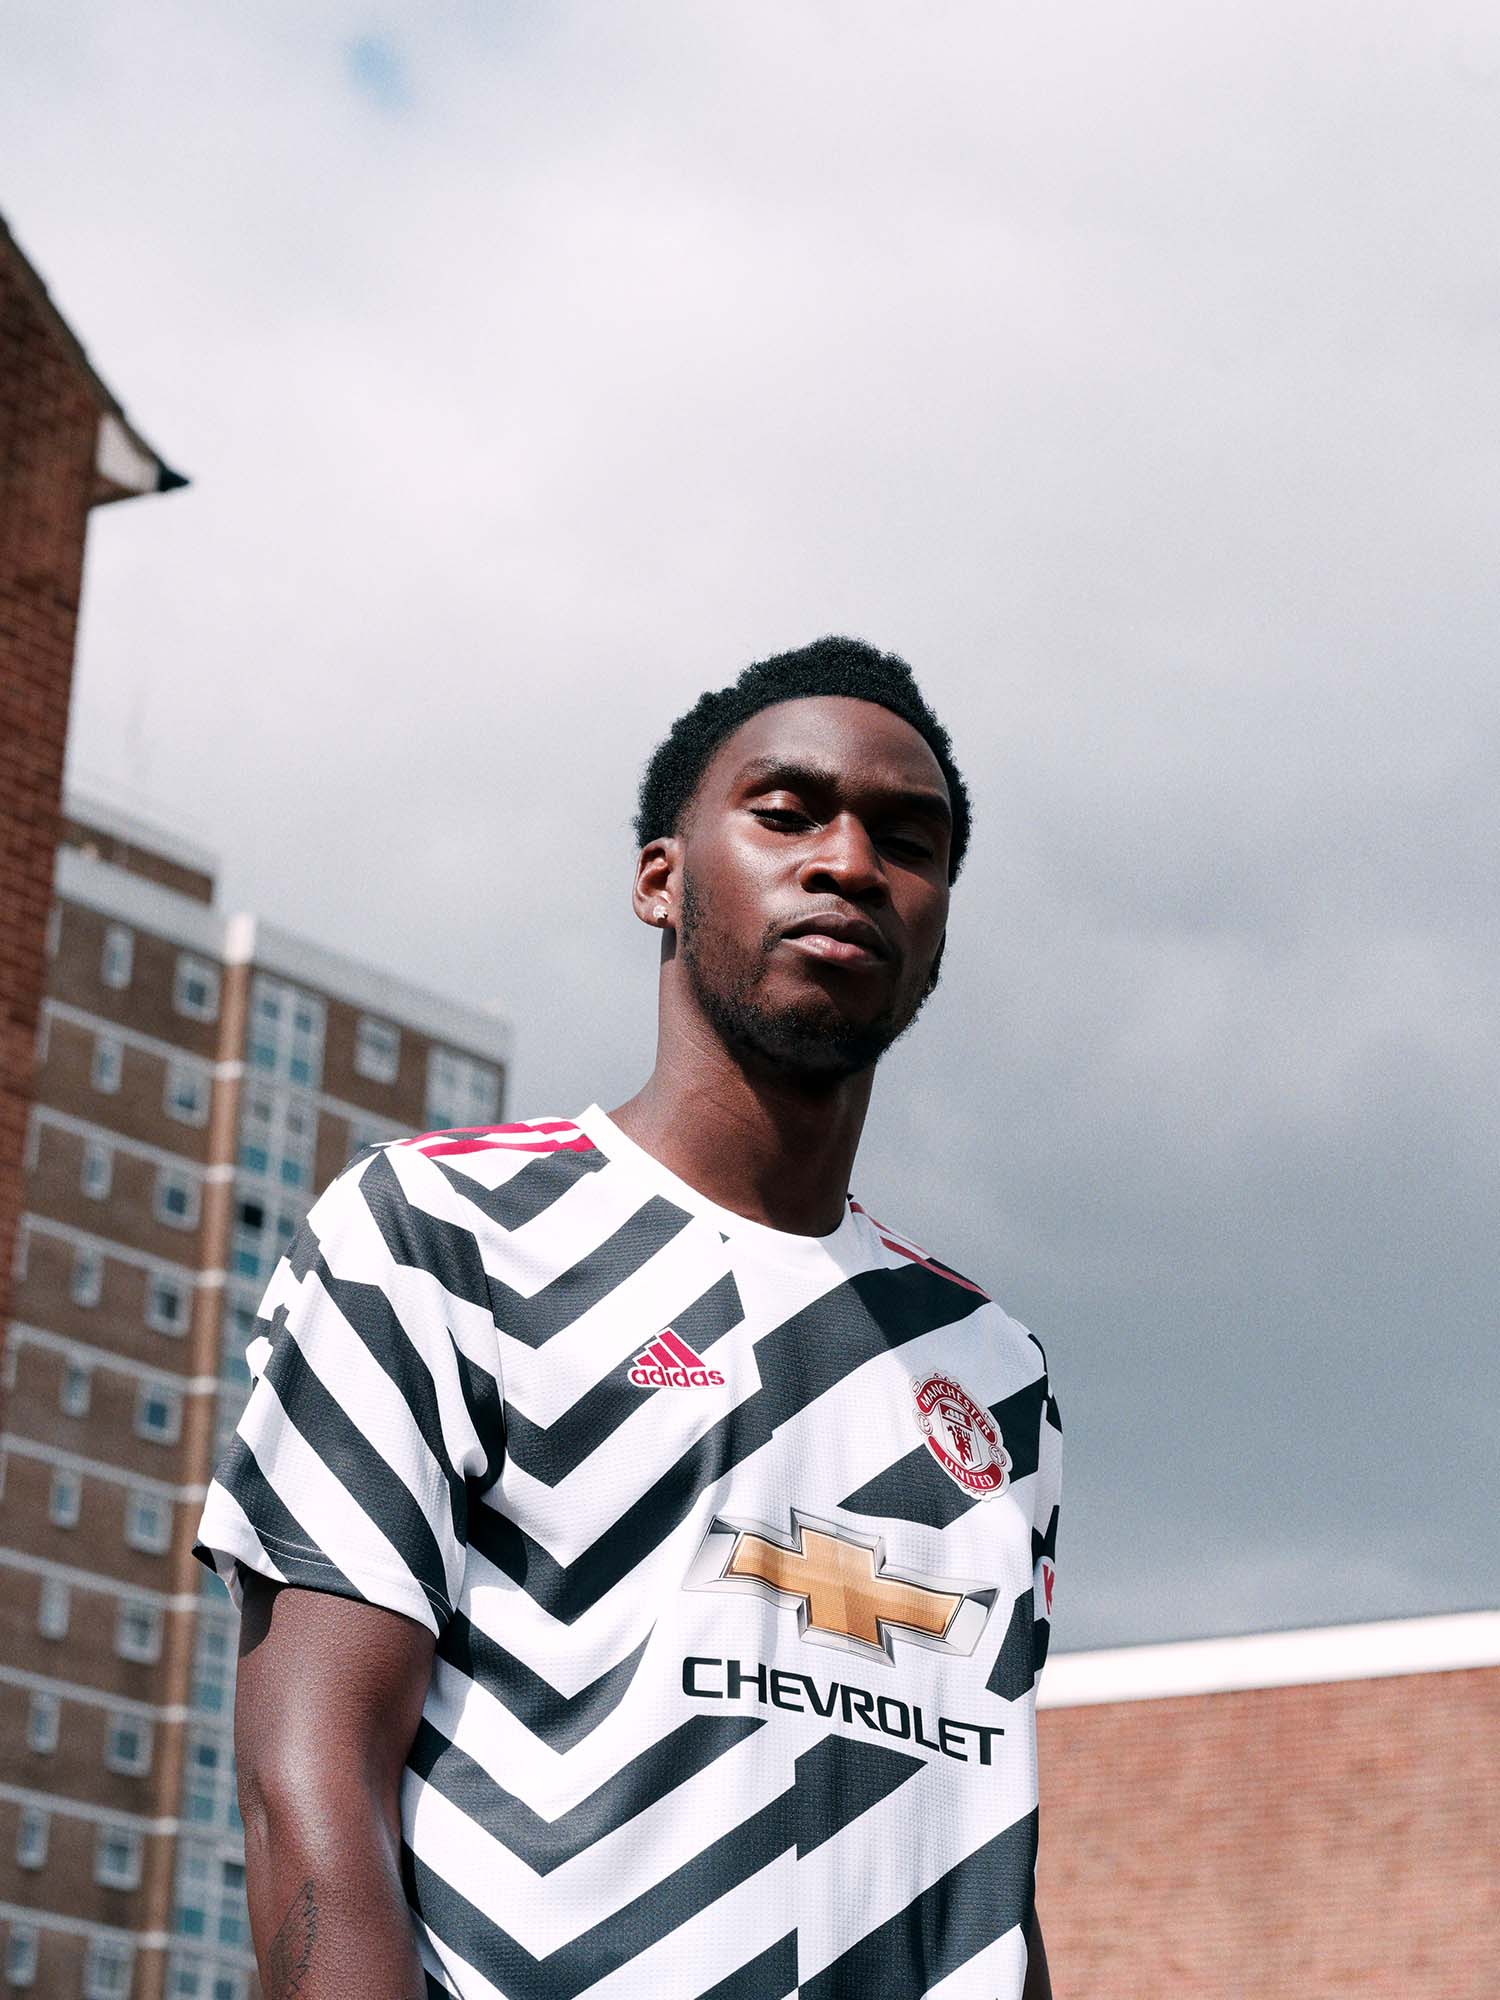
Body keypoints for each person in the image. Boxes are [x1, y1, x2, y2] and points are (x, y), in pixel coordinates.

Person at [195, 635, 1063, 2000]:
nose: (848, 863)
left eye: (908, 842)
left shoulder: (994, 1373)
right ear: (661, 878)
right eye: (788, 812)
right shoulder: (443, 1233)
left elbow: (979, 1862)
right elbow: (308, 1786)